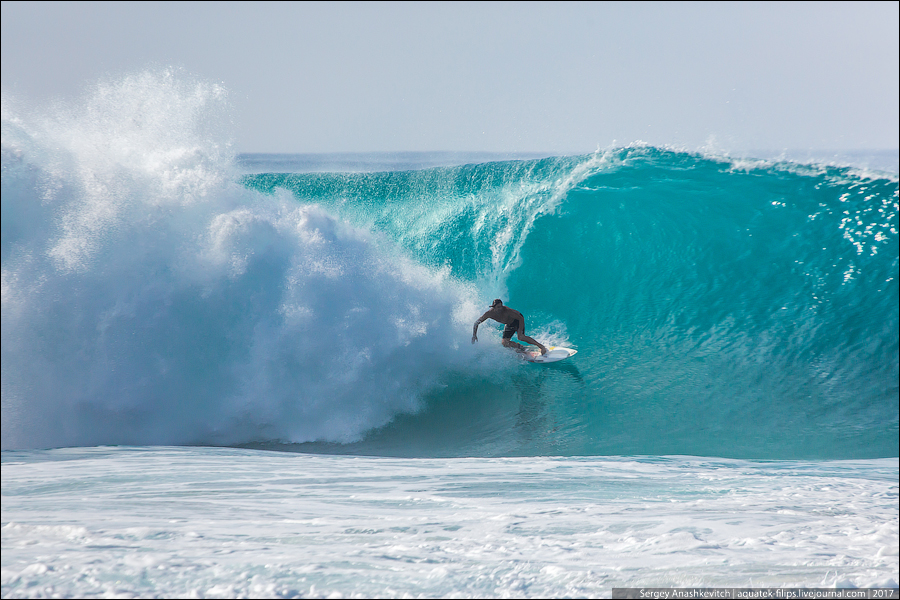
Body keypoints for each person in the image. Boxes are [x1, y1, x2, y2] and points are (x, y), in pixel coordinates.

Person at [472, 299, 548, 355]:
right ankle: (520, 347)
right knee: (505, 343)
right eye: (498, 307)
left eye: (501, 306)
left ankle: (542, 347)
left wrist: (520, 331)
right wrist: (474, 335)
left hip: (517, 320)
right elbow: (476, 323)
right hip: (509, 324)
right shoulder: (489, 314)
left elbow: (520, 318)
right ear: (493, 307)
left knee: (521, 337)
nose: (500, 309)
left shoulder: (507, 311)